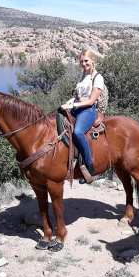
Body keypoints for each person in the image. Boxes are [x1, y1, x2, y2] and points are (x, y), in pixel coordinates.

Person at [61, 48, 105, 184]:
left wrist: (73, 106)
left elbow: (91, 100)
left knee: (78, 132)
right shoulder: (83, 76)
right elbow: (77, 97)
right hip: (77, 108)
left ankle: (90, 165)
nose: (84, 64)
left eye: (86, 61)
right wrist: (68, 103)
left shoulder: (98, 78)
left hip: (88, 110)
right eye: (81, 61)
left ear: (93, 61)